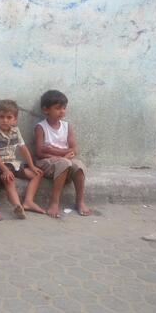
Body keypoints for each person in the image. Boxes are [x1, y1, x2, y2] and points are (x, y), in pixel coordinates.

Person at [34, 90, 91, 218]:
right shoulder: (40, 127)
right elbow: (39, 152)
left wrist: (53, 150)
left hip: (63, 159)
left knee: (79, 165)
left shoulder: (67, 126)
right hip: (46, 162)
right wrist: (61, 155)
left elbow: (74, 150)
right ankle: (54, 202)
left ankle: (80, 201)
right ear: (46, 110)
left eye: (64, 108)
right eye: (58, 108)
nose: (62, 111)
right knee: (64, 163)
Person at [0, 99, 45, 218]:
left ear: (15, 120)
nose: (5, 120)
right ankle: (17, 206)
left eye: (9, 117)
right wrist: (5, 170)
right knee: (9, 178)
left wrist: (32, 166)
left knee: (37, 174)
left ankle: (28, 201)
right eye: (1, 117)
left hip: (13, 164)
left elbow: (23, 148)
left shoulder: (15, 131)